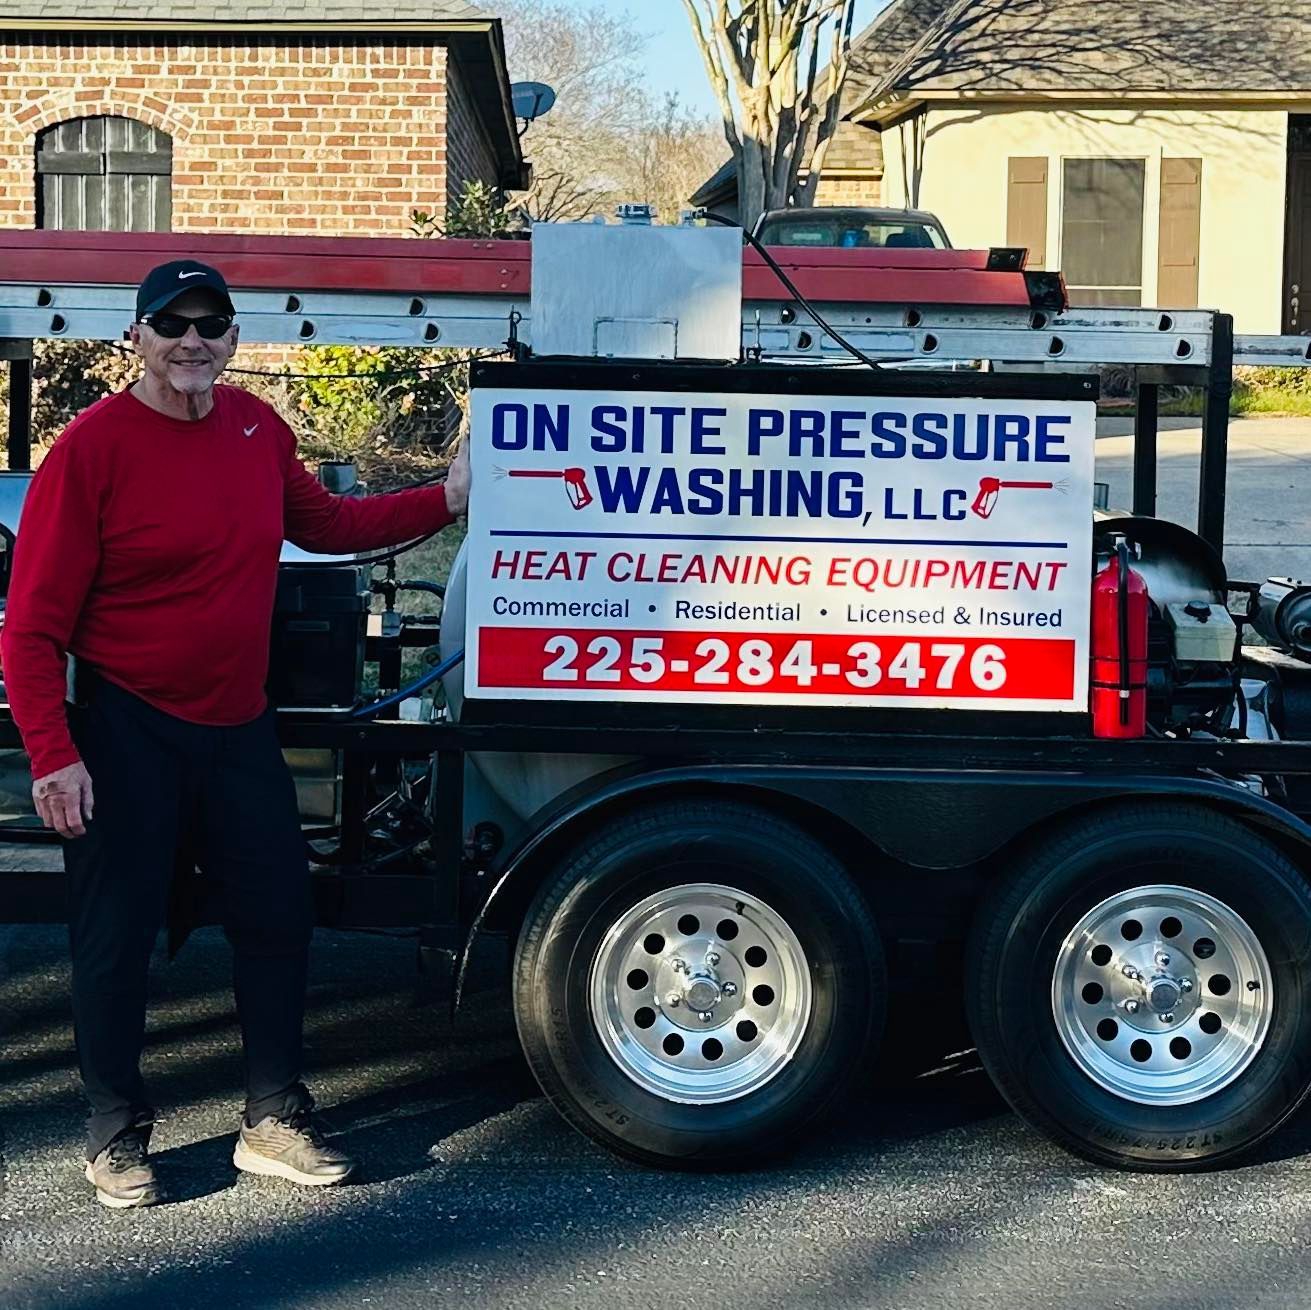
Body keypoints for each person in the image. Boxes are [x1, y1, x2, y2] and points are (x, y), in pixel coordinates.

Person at [0, 259, 469, 1209]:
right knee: (115, 935)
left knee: (275, 915)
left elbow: (329, 522)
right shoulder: (91, 450)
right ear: (135, 337)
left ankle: (272, 1119)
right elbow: (32, 624)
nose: (192, 340)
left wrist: (445, 501)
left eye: (211, 324)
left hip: (236, 723)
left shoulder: (257, 428)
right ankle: (114, 1134)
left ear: (233, 338)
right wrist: (53, 753)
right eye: (171, 323)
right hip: (126, 723)